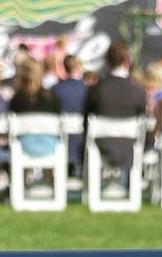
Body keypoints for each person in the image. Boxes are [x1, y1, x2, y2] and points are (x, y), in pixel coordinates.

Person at [84, 41, 146, 173]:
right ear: (127, 61)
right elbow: (143, 119)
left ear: (107, 61)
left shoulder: (96, 89)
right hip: (129, 147)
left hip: (102, 145)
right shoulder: (138, 91)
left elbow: (86, 119)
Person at [10, 59, 61, 158]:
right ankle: (49, 174)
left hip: (25, 146)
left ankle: (24, 174)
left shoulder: (18, 99)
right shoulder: (52, 97)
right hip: (50, 145)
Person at [53, 55, 88, 172]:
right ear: (78, 67)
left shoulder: (57, 89)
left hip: (61, 143)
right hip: (82, 144)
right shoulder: (87, 90)